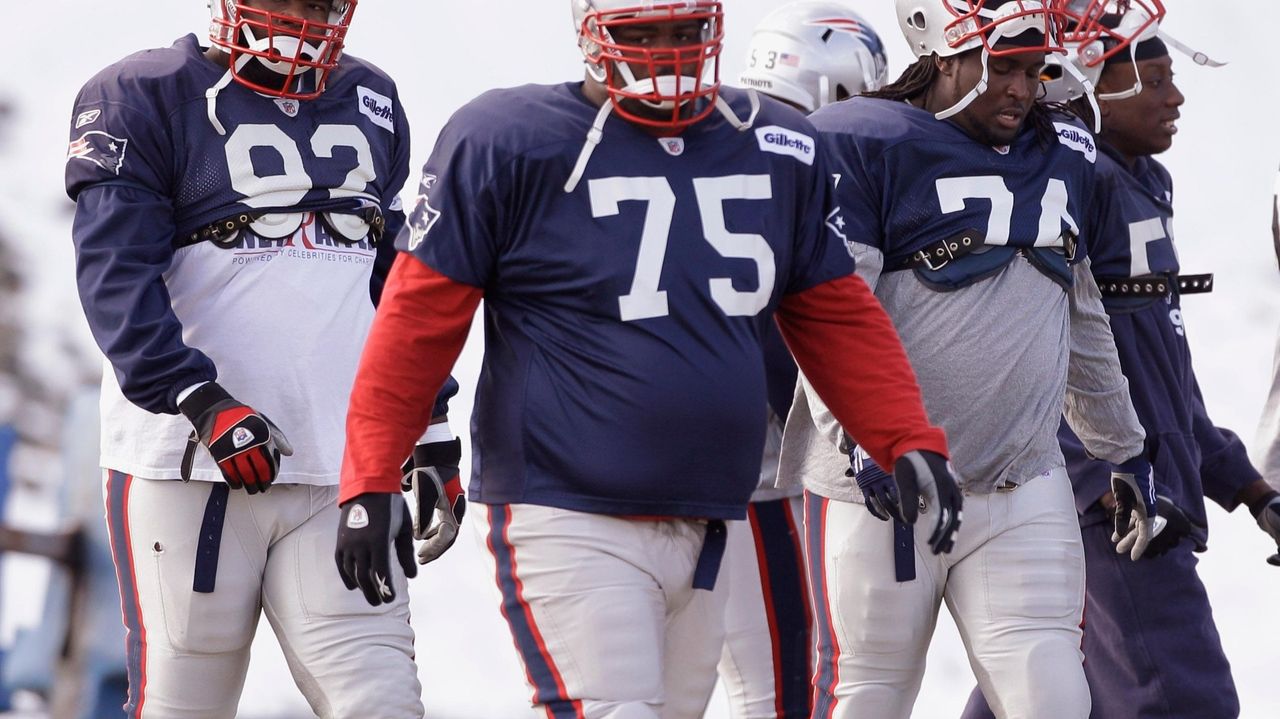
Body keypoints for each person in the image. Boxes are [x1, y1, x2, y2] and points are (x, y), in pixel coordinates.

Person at [334, 1, 962, 717]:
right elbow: (416, 323)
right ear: (592, 34)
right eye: (643, 34)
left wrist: (904, 435)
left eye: (684, 32)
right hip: (567, 507)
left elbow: (835, 311)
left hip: (707, 516)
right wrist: (371, 475)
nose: (667, 54)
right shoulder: (510, 141)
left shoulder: (774, 143)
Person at [65, 2, 454, 716]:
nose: (303, 15)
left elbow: (389, 282)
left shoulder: (371, 97)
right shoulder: (144, 93)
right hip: (191, 466)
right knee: (183, 703)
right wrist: (198, 398)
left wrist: (429, 420)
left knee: (383, 702)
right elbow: (115, 276)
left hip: (341, 465)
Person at [782, 1, 1158, 717]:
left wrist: (1124, 448)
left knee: (1054, 699)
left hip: (1022, 479)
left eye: (1032, 69)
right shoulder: (865, 142)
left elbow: (1079, 318)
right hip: (884, 486)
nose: (1020, 89)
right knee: (866, 698)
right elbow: (830, 317)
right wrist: (864, 440)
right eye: (1000, 68)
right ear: (941, 52)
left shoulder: (1063, 150)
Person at [958, 10, 1280, 719]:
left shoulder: (1143, 180)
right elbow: (1036, 350)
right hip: (1117, 504)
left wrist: (1249, 487)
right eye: (1154, 79)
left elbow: (1164, 377)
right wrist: (1101, 479)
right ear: (1081, 84)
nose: (1176, 96)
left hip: (1121, 491)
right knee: (1179, 699)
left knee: (1028, 695)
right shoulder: (1077, 179)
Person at [717, 4, 888, 717]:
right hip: (750, 472)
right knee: (784, 689)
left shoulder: (706, 141)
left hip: (647, 460)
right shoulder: (794, 157)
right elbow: (792, 327)